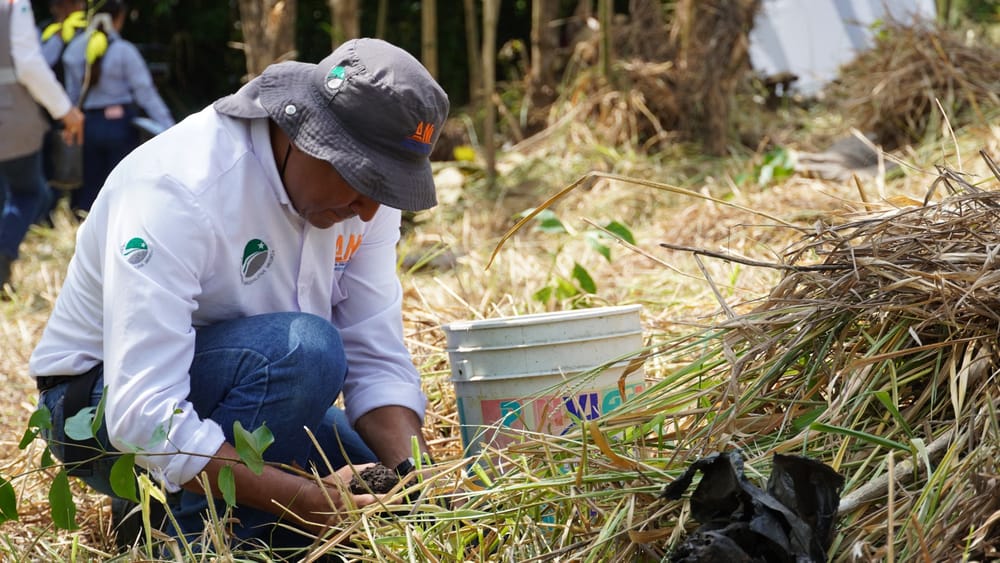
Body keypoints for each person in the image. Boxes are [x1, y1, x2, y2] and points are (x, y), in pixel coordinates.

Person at [30, 37, 449, 553]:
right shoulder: (179, 188)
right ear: (304, 133)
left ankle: (161, 505)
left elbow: (374, 354)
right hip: (95, 409)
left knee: (389, 493)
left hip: (252, 386)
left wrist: (424, 483)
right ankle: (193, 538)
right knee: (307, 350)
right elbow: (141, 413)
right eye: (362, 179)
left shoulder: (363, 205)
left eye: (386, 189)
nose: (368, 209)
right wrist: (305, 501)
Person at [1, 0, 84, 291]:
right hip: (10, 121)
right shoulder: (13, 5)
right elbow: (28, 65)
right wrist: (66, 111)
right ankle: (2, 257)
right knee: (30, 192)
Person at [60, 0, 173, 214]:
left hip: (88, 127)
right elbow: (146, 94)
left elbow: (70, 97)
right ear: (117, 19)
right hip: (120, 128)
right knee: (122, 188)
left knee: (89, 191)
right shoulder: (124, 51)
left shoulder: (74, 51)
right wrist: (169, 127)